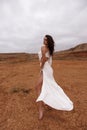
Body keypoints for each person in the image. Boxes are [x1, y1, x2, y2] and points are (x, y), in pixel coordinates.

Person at [35, 35, 73, 120]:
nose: (44, 40)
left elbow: (44, 59)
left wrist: (41, 69)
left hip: (45, 69)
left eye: (46, 39)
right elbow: (48, 60)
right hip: (48, 69)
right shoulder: (50, 49)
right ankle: (46, 102)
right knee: (46, 86)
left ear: (49, 41)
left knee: (38, 87)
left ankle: (41, 109)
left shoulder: (43, 47)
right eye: (44, 39)